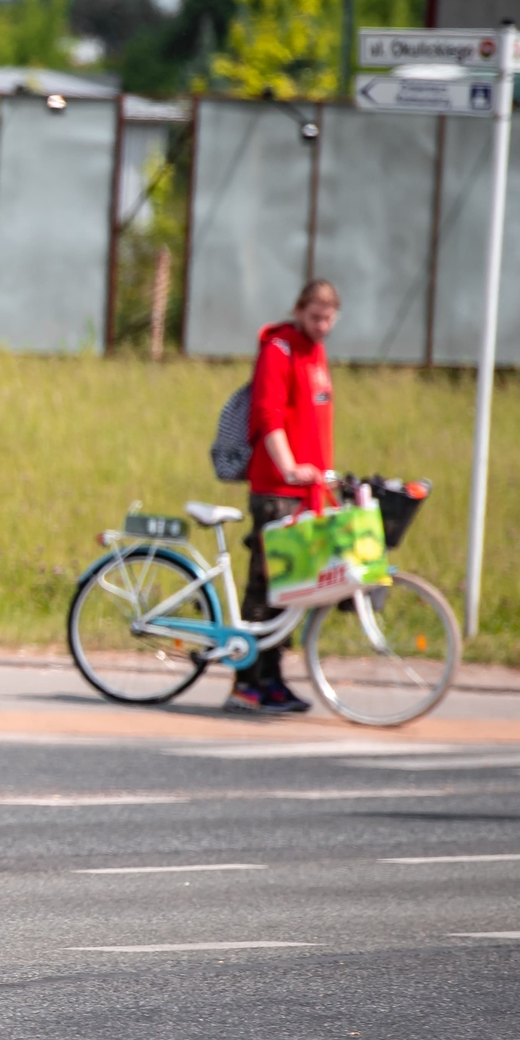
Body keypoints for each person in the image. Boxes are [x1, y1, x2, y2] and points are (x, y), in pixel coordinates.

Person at [233, 279, 341, 715]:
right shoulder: (279, 349)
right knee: (266, 584)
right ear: (298, 310)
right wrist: (288, 466)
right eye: (314, 316)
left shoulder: (315, 352)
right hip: (277, 489)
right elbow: (268, 415)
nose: (322, 325)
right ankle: (248, 681)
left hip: (306, 491)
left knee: (290, 589)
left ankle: (273, 678)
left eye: (328, 317)